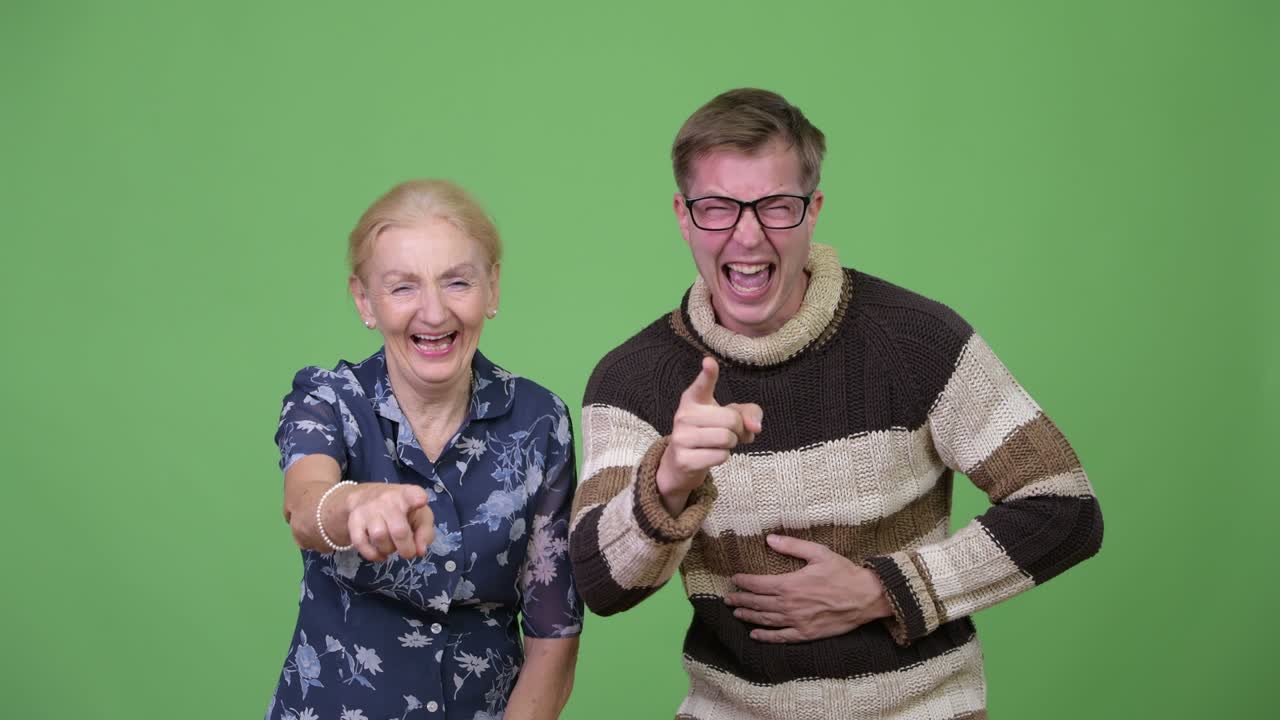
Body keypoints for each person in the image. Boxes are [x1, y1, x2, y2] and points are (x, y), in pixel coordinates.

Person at [568, 89, 1103, 719]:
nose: (747, 235)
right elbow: (600, 585)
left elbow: (1065, 509)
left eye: (776, 206)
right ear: (684, 217)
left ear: (813, 210)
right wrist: (670, 481)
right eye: (717, 208)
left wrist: (886, 589)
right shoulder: (633, 378)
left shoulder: (917, 340)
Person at [267, 180, 582, 720]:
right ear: (365, 301)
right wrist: (355, 505)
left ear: (493, 289)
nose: (434, 314)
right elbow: (305, 505)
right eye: (403, 288)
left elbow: (554, 633)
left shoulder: (540, 421)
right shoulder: (328, 398)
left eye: (457, 282)